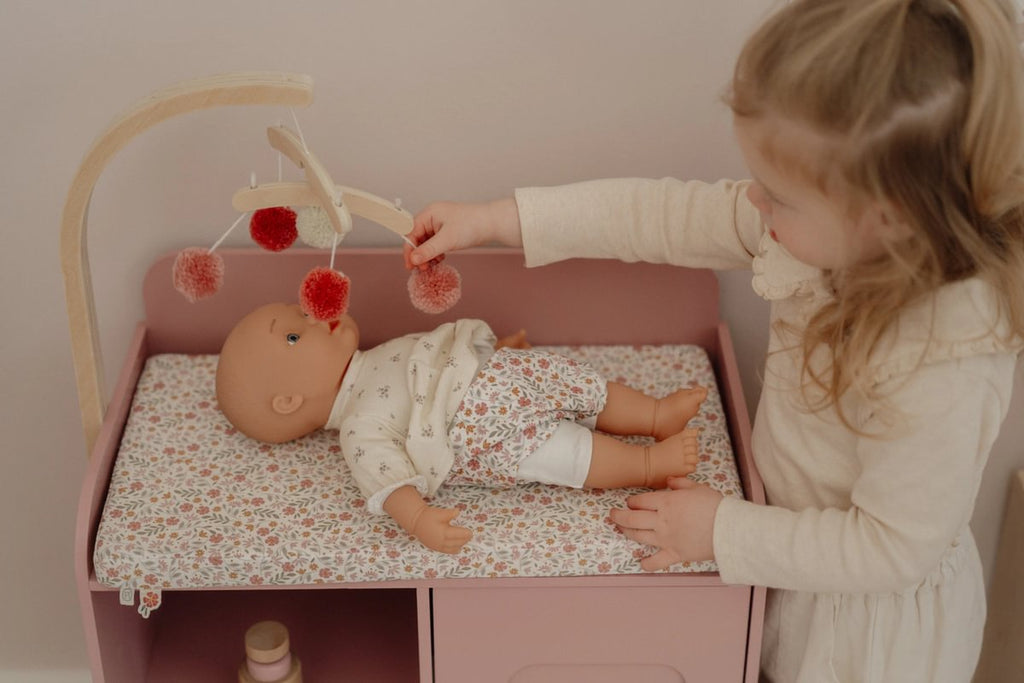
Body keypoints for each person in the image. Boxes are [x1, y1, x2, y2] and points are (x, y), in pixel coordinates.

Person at [402, 1, 1024, 679]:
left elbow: (890, 549)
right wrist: (497, 220)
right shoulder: (833, 235)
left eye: (779, 195)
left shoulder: (943, 359)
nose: (753, 201)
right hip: (795, 566)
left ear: (887, 218)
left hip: (868, 638)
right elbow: (659, 215)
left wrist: (718, 530)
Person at [215, 302, 707, 554]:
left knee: (576, 384)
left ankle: (655, 416)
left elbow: (434, 359)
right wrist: (418, 519)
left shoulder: (374, 356)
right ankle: (647, 463)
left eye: (300, 314)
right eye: (294, 335)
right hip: (479, 430)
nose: (314, 317)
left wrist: (489, 353)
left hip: (500, 373)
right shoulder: (358, 427)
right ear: (289, 401)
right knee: (562, 450)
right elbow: (386, 479)